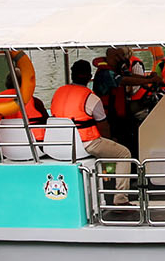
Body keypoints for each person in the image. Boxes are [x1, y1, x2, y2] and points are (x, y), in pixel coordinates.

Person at [45, 59, 136, 200]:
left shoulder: (58, 92)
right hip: (84, 143)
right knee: (124, 153)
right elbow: (103, 126)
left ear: (72, 74)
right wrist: (111, 140)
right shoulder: (91, 97)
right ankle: (120, 199)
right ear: (89, 76)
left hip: (57, 142)